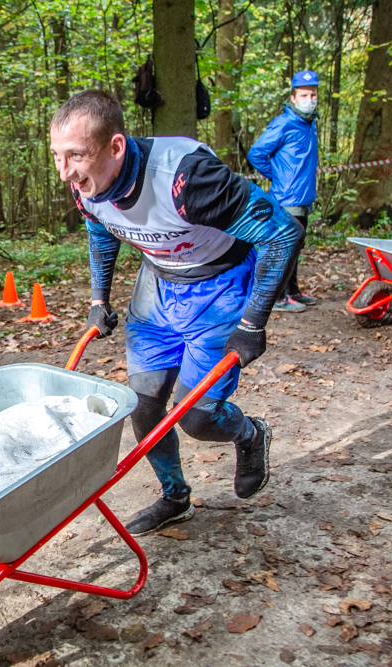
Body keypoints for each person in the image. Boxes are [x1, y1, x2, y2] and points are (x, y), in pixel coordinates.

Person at [49, 90, 303, 535]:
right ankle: (175, 496)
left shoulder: (186, 179)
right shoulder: (85, 185)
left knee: (197, 417)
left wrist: (252, 324)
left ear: (115, 147)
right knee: (144, 408)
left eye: (76, 155)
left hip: (219, 288)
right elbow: (101, 229)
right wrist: (97, 300)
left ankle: (250, 434)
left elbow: (283, 234)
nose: (65, 172)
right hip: (157, 289)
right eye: (56, 156)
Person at [247, 69, 321, 313]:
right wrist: (276, 175)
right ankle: (276, 298)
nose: (309, 99)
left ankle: (293, 291)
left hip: (304, 197)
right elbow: (256, 152)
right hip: (286, 197)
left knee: (296, 247)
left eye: (313, 95)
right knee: (284, 248)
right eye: (304, 95)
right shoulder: (284, 123)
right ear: (293, 97)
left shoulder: (309, 125)